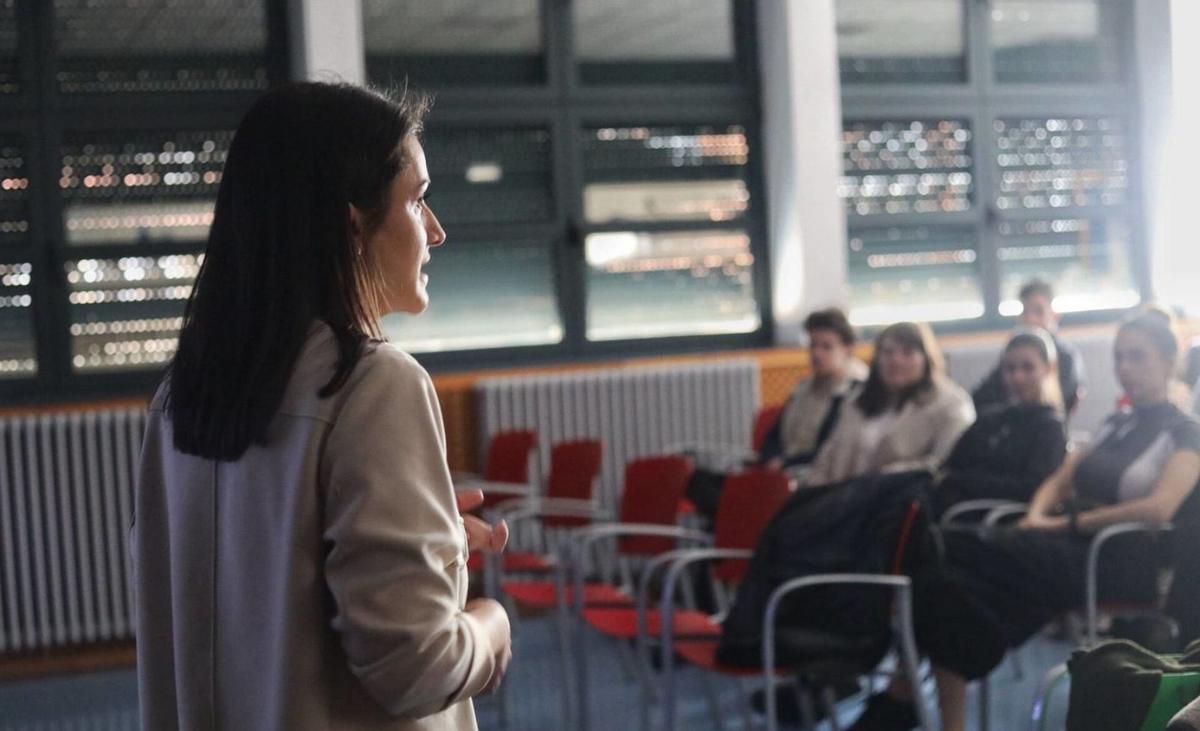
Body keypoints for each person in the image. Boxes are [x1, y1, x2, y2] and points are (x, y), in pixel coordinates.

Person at [131, 82, 512, 731]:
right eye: (418, 200)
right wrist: (491, 624)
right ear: (353, 223)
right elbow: (416, 665)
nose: (437, 230)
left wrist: (425, 539)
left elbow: (258, 581)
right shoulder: (373, 385)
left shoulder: (182, 393)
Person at [851, 311, 1200, 731]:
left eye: (1136, 357)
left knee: (945, 546)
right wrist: (1036, 515)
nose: (1124, 368)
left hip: (1120, 560)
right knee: (943, 586)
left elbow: (1158, 509)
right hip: (1070, 548)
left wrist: (1058, 526)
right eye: (1119, 357)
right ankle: (939, 711)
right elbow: (1059, 480)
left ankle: (902, 688)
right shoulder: (1116, 424)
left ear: (1168, 360)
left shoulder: (1186, 431)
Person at [801, 321, 975, 487]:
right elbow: (828, 456)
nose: (896, 361)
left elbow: (942, 466)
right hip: (839, 499)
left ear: (926, 358)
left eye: (907, 352)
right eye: (888, 352)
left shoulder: (951, 405)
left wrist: (882, 480)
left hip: (896, 505)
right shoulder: (857, 400)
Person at [935, 328, 1067, 511]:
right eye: (1010, 368)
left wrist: (969, 483)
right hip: (957, 504)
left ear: (1049, 369)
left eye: (1028, 368)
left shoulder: (1050, 427)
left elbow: (1033, 488)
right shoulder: (991, 418)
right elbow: (951, 464)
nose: (1017, 377)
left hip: (989, 518)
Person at [757, 307, 868, 470]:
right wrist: (771, 458)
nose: (816, 353)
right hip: (787, 471)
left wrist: (785, 463)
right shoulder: (804, 387)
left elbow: (831, 450)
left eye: (826, 347)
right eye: (813, 345)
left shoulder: (856, 389)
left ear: (847, 349)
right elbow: (774, 436)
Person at [973, 279, 1086, 415]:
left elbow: (1058, 403)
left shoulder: (1066, 357)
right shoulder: (1014, 354)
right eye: (1025, 312)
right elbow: (980, 398)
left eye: (1039, 311)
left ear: (1055, 316)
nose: (1030, 319)